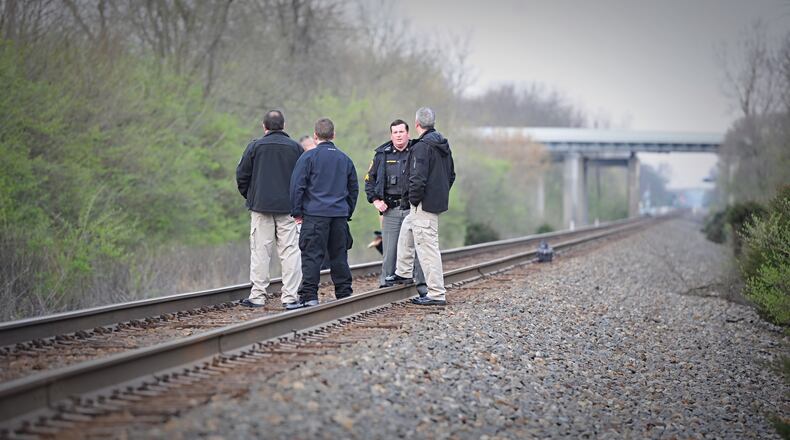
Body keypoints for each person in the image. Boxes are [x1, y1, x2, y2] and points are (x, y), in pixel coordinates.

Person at [385, 107, 455, 306]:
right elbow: (451, 175)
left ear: (416, 125)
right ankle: (403, 272)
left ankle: (436, 293)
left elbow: (417, 179)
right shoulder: (442, 145)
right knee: (407, 229)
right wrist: (438, 195)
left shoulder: (422, 147)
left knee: (427, 249)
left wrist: (414, 201)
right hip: (431, 203)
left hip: (423, 205)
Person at [236, 110, 303, 309]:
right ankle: (290, 297)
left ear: (264, 126)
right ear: (284, 125)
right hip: (288, 209)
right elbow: (303, 179)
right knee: (290, 252)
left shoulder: (255, 147)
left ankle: (257, 296)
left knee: (260, 252)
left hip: (260, 208)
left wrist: (251, 197)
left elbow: (241, 175)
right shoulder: (296, 148)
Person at [290, 118, 359, 308]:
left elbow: (297, 186)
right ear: (333, 135)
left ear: (315, 136)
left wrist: (297, 212)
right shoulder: (345, 159)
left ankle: (309, 296)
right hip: (338, 216)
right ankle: (344, 294)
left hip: (314, 215)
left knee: (312, 256)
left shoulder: (308, 157)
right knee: (339, 256)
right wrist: (347, 212)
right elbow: (353, 189)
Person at [364, 119, 427, 295]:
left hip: (413, 209)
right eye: (395, 132)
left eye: (401, 132)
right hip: (390, 210)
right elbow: (369, 182)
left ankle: (423, 288)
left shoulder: (417, 151)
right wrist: (375, 200)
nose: (398, 135)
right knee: (390, 252)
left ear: (408, 133)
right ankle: (386, 288)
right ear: (391, 135)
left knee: (417, 250)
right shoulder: (381, 155)